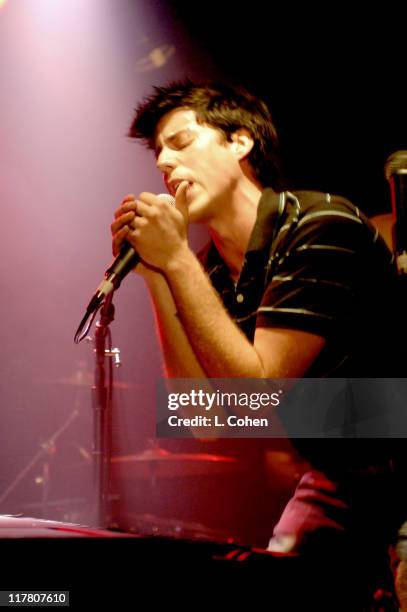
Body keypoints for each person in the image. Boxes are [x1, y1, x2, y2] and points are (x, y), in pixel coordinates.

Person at [110, 80, 405, 597]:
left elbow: (259, 394)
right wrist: (160, 276)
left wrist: (176, 258)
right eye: (159, 156)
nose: (166, 165)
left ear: (240, 142)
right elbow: (204, 423)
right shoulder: (210, 274)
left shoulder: (321, 225)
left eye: (181, 142)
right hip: (342, 473)